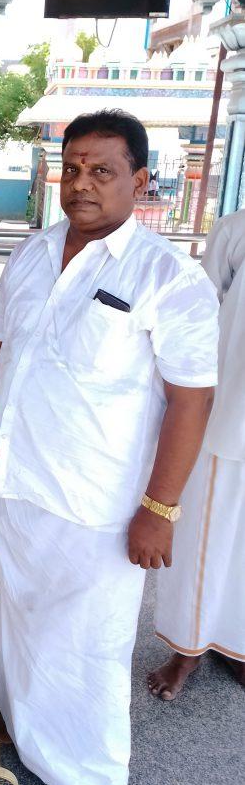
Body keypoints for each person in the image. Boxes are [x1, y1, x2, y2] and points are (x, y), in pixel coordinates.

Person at [0, 109, 219, 785]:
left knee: (90, 640)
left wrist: (158, 509)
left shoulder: (168, 277)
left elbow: (191, 397)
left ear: (138, 181)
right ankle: (20, 715)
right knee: (16, 615)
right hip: (19, 478)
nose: (81, 184)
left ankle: (91, 776)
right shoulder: (33, 254)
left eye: (101, 171)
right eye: (70, 168)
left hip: (99, 495)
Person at [150, 205, 245, 698]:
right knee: (205, 538)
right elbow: (203, 311)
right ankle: (188, 649)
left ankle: (237, 643)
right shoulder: (237, 229)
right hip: (230, 408)